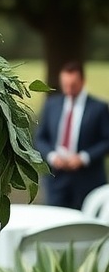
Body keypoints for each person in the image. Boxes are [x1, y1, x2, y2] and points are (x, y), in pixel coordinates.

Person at [34, 61, 109, 209]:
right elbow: (40, 137)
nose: (68, 89)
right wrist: (52, 156)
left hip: (88, 179)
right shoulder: (51, 105)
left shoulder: (99, 108)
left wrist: (83, 158)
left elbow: (106, 141)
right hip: (56, 179)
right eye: (65, 85)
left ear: (82, 81)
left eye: (73, 85)